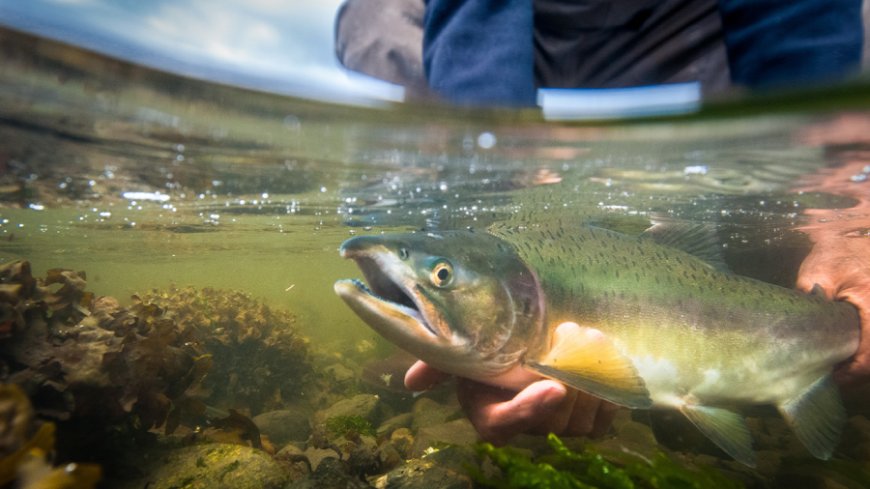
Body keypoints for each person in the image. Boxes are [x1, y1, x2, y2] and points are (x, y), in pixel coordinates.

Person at [335, 0, 869, 444]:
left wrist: (848, 209)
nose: (439, 278)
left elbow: (803, 28)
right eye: (441, 275)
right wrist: (492, 148)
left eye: (442, 276)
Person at [336, 0, 865, 106]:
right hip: (490, 20)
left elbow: (802, 16)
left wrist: (831, 193)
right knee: (372, 24)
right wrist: (495, 160)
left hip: (682, 18)